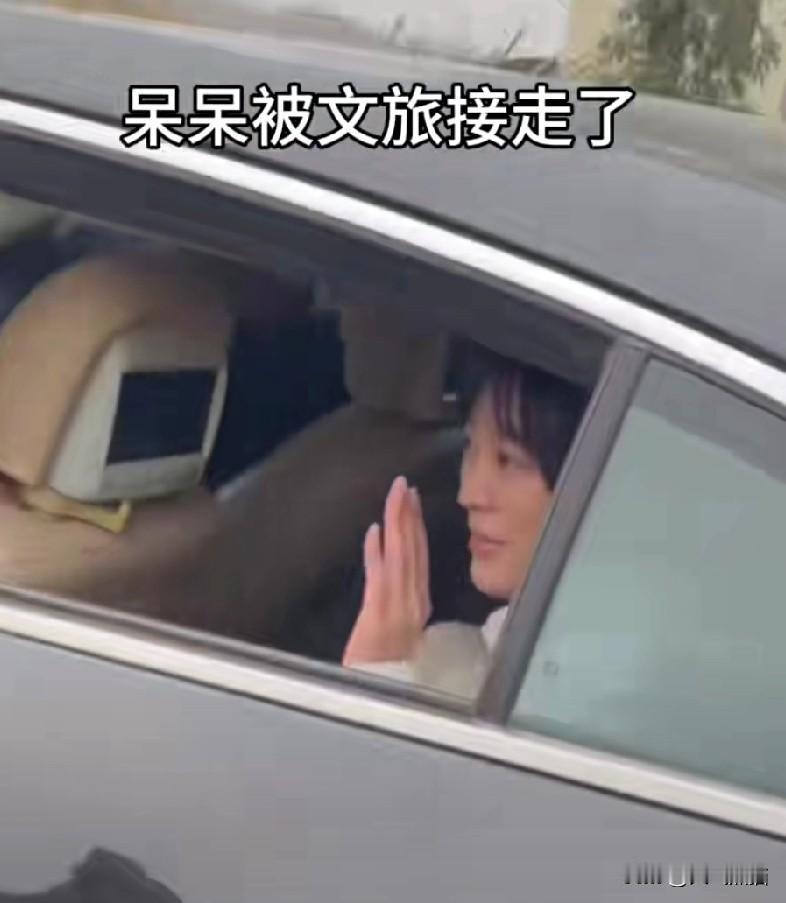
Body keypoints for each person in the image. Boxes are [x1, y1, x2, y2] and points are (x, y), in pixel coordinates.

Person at [342, 346, 587, 696]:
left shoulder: (586, 691)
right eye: (470, 446)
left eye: (508, 460)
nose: (468, 495)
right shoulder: (454, 657)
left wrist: (377, 674)